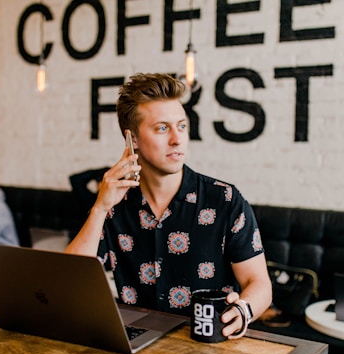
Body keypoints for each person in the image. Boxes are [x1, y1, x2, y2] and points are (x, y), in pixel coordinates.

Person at [65, 73, 272, 339]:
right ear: (133, 140)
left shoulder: (225, 200)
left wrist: (244, 310)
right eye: (162, 128)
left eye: (182, 126)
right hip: (135, 348)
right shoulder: (115, 204)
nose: (177, 139)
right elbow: (70, 283)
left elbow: (259, 283)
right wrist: (99, 209)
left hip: (207, 348)